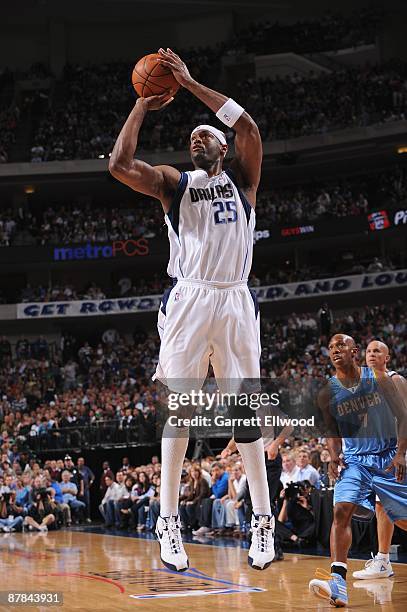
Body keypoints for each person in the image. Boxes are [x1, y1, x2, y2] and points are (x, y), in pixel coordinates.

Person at [110, 47, 274, 572]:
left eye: (204, 136)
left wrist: (190, 81)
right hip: (189, 297)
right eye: (190, 138)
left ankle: (263, 523)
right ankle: (168, 521)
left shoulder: (245, 182)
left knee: (244, 411)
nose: (195, 139)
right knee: (179, 408)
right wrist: (142, 103)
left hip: (234, 297)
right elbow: (118, 164)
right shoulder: (174, 184)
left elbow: (247, 123)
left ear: (223, 148)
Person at [309, 334, 407, 607]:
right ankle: (338, 581)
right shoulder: (327, 391)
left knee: (402, 519)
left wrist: (400, 454)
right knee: (341, 511)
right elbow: (330, 429)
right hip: (354, 461)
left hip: (386, 457)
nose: (335, 350)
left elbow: (403, 415)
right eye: (330, 347)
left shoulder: (377, 378)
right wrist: (333, 455)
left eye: (341, 345)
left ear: (354, 350)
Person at [353, 340, 406, 580]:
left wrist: (400, 454)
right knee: (382, 504)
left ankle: (383, 560)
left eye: (378, 351)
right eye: (369, 351)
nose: (372, 354)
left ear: (387, 358)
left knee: (396, 509)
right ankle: (383, 561)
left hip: (400, 452)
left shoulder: (395, 380)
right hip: (383, 454)